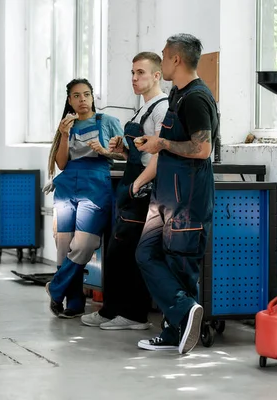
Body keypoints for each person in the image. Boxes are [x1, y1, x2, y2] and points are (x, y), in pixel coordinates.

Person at [133, 34, 219, 354]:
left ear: (176, 60)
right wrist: (145, 173)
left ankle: (176, 330)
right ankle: (183, 312)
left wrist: (162, 144)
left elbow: (203, 148)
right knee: (147, 253)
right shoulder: (177, 95)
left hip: (188, 197)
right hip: (165, 195)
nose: (163, 58)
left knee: (181, 264)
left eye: (165, 54)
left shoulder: (196, 98)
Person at [80, 52, 168, 330]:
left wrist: (137, 185)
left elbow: (159, 155)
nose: (134, 78)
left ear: (156, 75)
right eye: (132, 72)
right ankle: (112, 310)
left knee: (129, 253)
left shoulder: (162, 108)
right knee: (117, 251)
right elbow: (139, 151)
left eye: (141, 72)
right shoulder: (142, 109)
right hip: (132, 186)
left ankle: (134, 315)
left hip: (143, 191)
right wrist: (121, 149)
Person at [45, 78, 125, 318]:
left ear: (93, 98)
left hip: (95, 185)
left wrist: (105, 151)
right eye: (77, 96)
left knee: (84, 244)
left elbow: (125, 155)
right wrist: (63, 134)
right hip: (68, 185)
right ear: (70, 101)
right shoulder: (66, 126)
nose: (82, 100)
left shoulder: (109, 122)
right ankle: (74, 302)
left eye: (87, 94)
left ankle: (55, 287)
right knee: (63, 245)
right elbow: (61, 163)